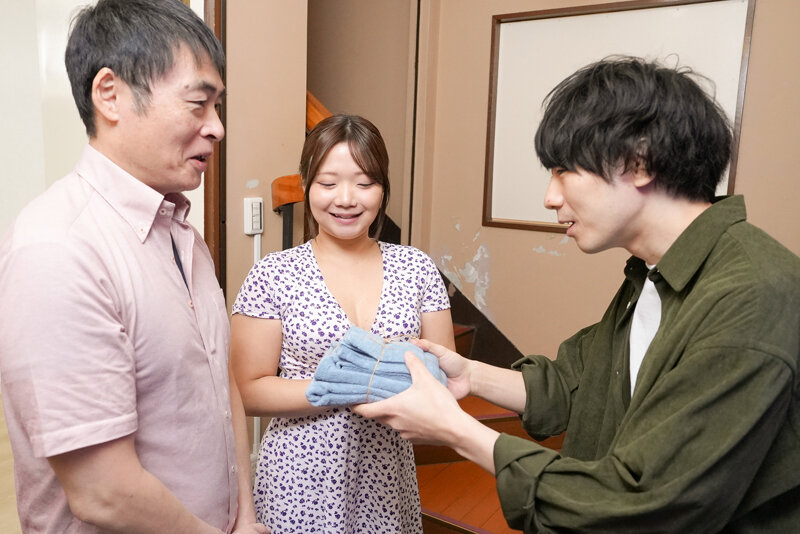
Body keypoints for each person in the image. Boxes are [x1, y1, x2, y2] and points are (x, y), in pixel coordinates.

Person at [355, 57, 800, 533]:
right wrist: (467, 374)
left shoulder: (752, 293)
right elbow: (578, 383)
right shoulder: (652, 274)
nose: (550, 197)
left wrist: (455, 429)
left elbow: (647, 503)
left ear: (639, 162)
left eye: (564, 170)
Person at [0, 1, 267, 532]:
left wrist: (243, 516)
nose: (217, 128)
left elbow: (223, 388)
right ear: (110, 94)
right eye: (198, 104)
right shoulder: (58, 249)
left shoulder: (183, 234)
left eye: (218, 107)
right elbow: (103, 492)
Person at [230, 114, 456, 532]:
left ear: (383, 188)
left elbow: (441, 378)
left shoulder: (417, 268)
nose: (346, 199)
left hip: (387, 476)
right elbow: (247, 390)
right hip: (297, 478)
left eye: (365, 183)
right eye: (328, 183)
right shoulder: (273, 273)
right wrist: (352, 387)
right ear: (306, 185)